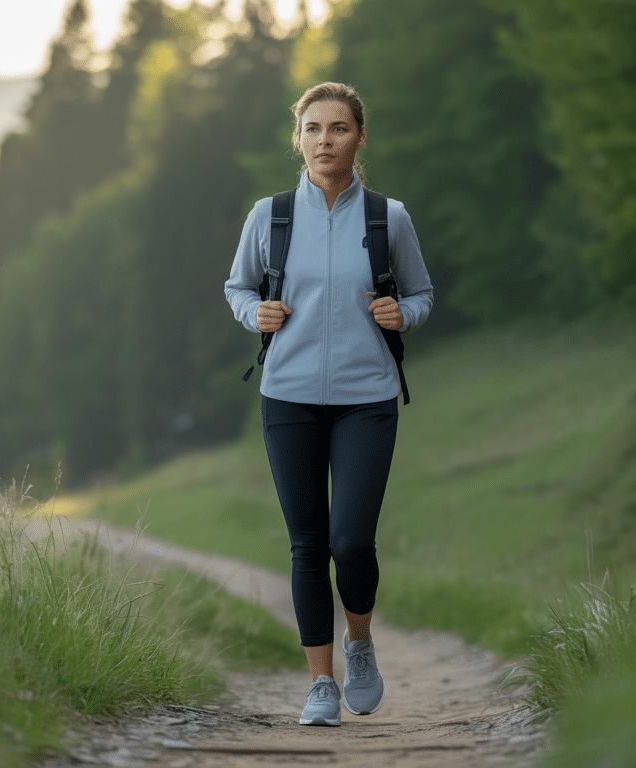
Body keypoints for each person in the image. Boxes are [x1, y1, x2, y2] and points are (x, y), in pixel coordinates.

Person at [224, 82, 434, 727]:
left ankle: (361, 642)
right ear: (298, 139)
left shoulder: (387, 217)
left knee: (352, 540)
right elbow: (237, 286)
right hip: (286, 396)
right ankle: (320, 685)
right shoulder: (271, 216)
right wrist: (252, 311)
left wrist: (404, 314)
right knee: (308, 545)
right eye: (313, 129)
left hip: (367, 397)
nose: (325, 141)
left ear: (359, 138)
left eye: (338, 129)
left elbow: (423, 294)